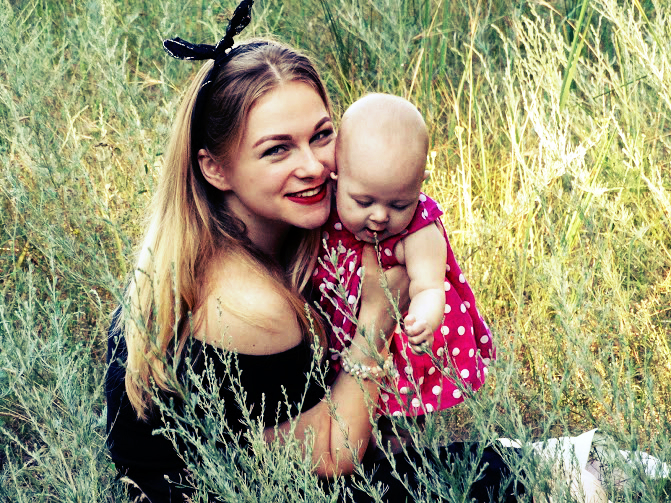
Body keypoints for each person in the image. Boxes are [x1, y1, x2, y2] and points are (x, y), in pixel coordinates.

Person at [106, 2, 522, 502]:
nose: (314, 166)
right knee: (512, 477)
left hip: (269, 471)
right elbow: (331, 455)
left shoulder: (228, 237)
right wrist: (377, 318)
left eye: (322, 135)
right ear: (214, 168)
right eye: (277, 149)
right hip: (234, 491)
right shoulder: (247, 302)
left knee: (500, 466)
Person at [313, 94, 495, 420]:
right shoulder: (324, 207)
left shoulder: (418, 229)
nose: (380, 216)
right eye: (363, 202)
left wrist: (424, 319)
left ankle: (402, 441)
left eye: (399, 204)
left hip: (400, 341)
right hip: (343, 331)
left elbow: (428, 286)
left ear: (419, 184)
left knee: (400, 417)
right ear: (337, 175)